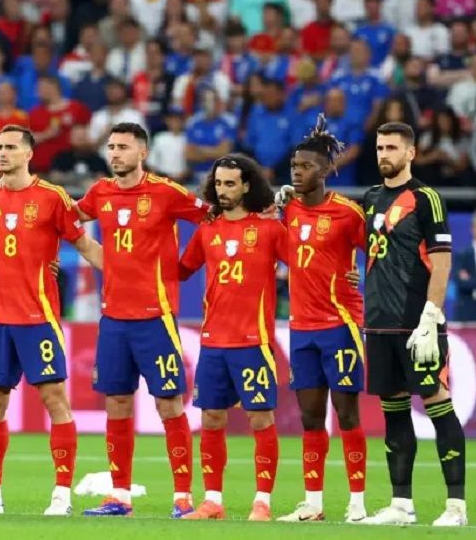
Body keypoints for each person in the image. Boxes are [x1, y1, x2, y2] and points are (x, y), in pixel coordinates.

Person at [0, 125, 103, 516]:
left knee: (55, 400)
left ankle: (61, 496)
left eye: (10, 147)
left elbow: (85, 244)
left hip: (38, 318)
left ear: (28, 154)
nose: (2, 153)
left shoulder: (52, 197)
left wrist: (126, 276)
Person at [75, 122, 206, 518]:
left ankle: (182, 497)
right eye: (111, 147)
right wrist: (90, 253)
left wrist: (184, 268)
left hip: (156, 319)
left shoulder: (166, 193)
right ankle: (120, 496)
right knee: (116, 403)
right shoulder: (100, 192)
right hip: (114, 319)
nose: (115, 153)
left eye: (123, 147)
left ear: (143, 153)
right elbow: (65, 219)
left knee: (168, 403)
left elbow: (214, 220)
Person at [360, 122, 466, 527]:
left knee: (438, 403)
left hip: (415, 323)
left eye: (391, 147)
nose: (383, 154)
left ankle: (455, 507)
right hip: (379, 324)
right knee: (393, 412)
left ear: (410, 153)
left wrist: (430, 316)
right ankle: (401, 504)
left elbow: (442, 262)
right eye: (379, 147)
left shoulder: (426, 198)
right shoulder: (371, 198)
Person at [178, 153, 288, 521]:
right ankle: (212, 501)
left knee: (260, 419)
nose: (222, 190)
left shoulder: (269, 230)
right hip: (213, 342)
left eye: (230, 184)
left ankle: (262, 502)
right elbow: (181, 270)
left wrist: (346, 273)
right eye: (218, 183)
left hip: (253, 342)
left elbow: (305, 264)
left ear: (246, 186)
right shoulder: (207, 230)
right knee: (211, 418)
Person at [276, 117, 370, 523]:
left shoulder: (348, 213)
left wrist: (362, 274)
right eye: (294, 166)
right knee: (311, 417)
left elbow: (379, 253)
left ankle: (358, 503)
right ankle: (313, 503)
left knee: (346, 414)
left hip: (340, 325)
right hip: (301, 328)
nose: (297, 172)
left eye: (306, 166)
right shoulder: (288, 210)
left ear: (327, 169)